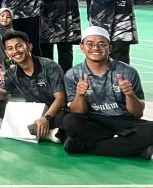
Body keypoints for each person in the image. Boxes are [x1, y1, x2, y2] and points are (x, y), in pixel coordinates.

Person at [61, 26, 153, 159]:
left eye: (102, 44)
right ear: (82, 47)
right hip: (94, 121)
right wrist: (79, 95)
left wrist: (130, 95)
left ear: (110, 48)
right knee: (70, 121)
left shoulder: (128, 72)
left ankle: (84, 146)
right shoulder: (73, 74)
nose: (96, 48)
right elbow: (78, 111)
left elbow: (137, 113)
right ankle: (131, 146)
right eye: (90, 44)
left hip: (123, 121)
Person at [0, 30, 67, 142]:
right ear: (7, 53)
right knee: (0, 107)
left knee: (68, 119)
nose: (15, 51)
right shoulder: (11, 73)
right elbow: (3, 93)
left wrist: (46, 118)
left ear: (29, 47)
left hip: (53, 112)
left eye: (19, 46)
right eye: (10, 48)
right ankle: (47, 133)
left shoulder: (50, 66)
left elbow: (61, 99)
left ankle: (39, 131)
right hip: (33, 112)